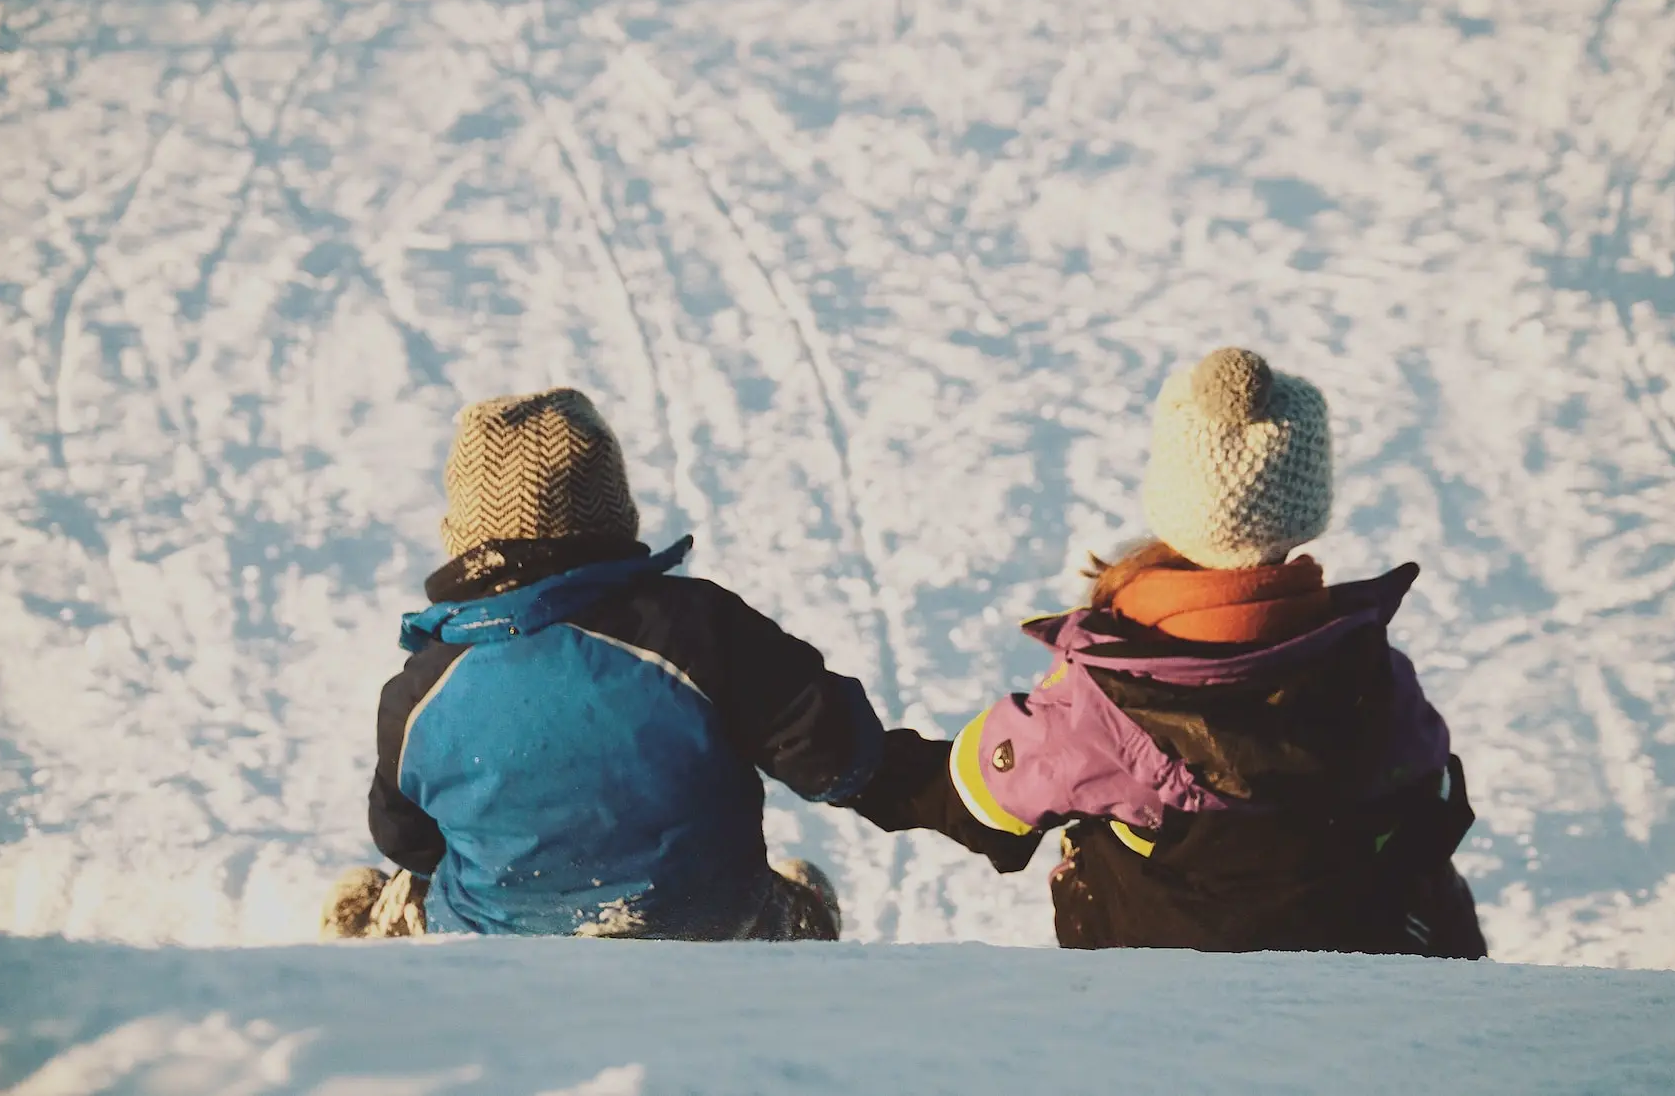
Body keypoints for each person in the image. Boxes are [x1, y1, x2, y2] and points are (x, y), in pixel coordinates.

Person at [863, 348, 1488, 955]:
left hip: (1155, 979)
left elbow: (972, 798)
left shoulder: (1097, 708)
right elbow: (1431, 816)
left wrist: (844, 756)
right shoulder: (1376, 679)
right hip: (1348, 963)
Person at [319, 387, 880, 941]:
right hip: (711, 931)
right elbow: (836, 758)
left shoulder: (422, 689)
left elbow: (406, 841)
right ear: (615, 512)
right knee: (793, 894)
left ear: (465, 537)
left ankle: (388, 928)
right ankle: (801, 926)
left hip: (498, 947)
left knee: (419, 881)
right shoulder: (697, 629)